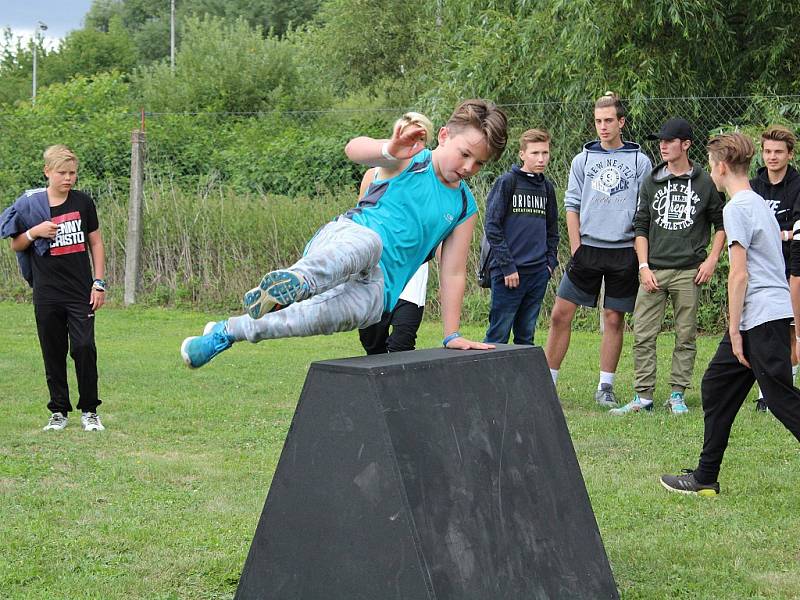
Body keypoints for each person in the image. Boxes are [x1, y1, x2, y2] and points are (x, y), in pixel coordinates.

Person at [180, 99, 508, 367]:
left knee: (308, 319)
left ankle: (226, 331)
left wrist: (452, 335)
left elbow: (452, 271)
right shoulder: (409, 160)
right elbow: (354, 149)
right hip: (346, 240)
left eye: (479, 163)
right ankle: (297, 283)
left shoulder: (464, 206)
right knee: (369, 243)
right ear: (445, 135)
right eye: (465, 154)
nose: (468, 167)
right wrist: (390, 148)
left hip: (378, 291)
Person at [661, 133, 800, 496]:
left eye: (710, 165)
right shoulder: (757, 202)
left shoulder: (737, 208)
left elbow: (739, 274)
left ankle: (706, 475)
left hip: (759, 318)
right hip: (766, 315)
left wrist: (735, 330)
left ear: (721, 167)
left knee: (782, 399)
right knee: (717, 384)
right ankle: (705, 477)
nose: (711, 171)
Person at [611, 118, 725, 415]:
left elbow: (721, 223)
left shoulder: (705, 181)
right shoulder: (651, 179)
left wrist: (712, 259)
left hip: (689, 271)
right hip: (654, 271)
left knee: (685, 335)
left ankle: (677, 395)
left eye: (669, 140)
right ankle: (643, 397)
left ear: (685, 144)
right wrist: (643, 267)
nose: (662, 145)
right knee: (643, 334)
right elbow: (641, 226)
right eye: (660, 141)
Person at [543, 92, 651, 406]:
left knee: (614, 318)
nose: (602, 127)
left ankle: (605, 387)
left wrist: (637, 249)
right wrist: (576, 246)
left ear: (621, 122)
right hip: (587, 248)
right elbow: (572, 204)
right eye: (598, 121)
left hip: (623, 251)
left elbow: (644, 208)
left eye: (608, 121)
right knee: (560, 314)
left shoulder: (639, 161)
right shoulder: (583, 160)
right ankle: (548, 383)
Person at [0, 145, 107, 431]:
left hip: (80, 291)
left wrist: (99, 283)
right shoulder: (31, 206)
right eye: (62, 173)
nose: (68, 178)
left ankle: (90, 411)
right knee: (53, 350)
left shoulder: (83, 203)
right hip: (47, 293)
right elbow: (16, 245)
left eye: (72, 173)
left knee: (84, 348)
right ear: (47, 172)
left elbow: (95, 242)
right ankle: (58, 411)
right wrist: (34, 232)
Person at [357, 112, 434, 355]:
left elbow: (436, 227)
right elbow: (360, 219)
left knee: (402, 342)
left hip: (413, 269)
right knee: (372, 342)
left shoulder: (432, 179)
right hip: (377, 267)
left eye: (418, 137)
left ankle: (402, 391)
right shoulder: (373, 174)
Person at [482, 128, 558, 345]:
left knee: (526, 335)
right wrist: (508, 267)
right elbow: (492, 227)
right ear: (522, 154)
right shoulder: (507, 182)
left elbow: (552, 231)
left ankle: (521, 380)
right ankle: (492, 378)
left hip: (537, 274)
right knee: (499, 333)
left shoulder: (547, 188)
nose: (541, 158)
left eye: (545, 153)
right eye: (535, 153)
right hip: (508, 274)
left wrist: (549, 264)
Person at [750, 125, 800, 411]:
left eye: (778, 152)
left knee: (791, 328)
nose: (772, 157)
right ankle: (764, 393)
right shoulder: (755, 186)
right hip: (761, 269)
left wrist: (778, 233)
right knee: (763, 331)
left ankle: (785, 387)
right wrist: (780, 231)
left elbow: (796, 230)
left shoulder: (797, 185)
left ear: (789, 155)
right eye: (767, 151)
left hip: (791, 265)